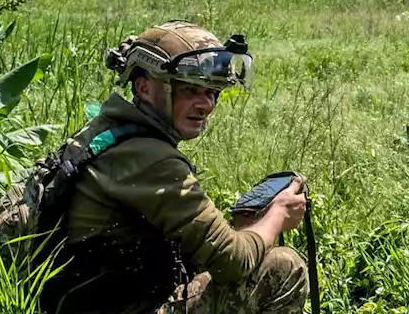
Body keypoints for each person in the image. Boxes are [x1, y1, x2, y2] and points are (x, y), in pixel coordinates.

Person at [35, 20, 309, 314]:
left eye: (212, 92)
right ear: (145, 87)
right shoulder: (151, 158)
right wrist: (276, 216)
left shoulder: (106, 130)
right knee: (284, 266)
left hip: (88, 298)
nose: (205, 105)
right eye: (191, 90)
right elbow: (233, 261)